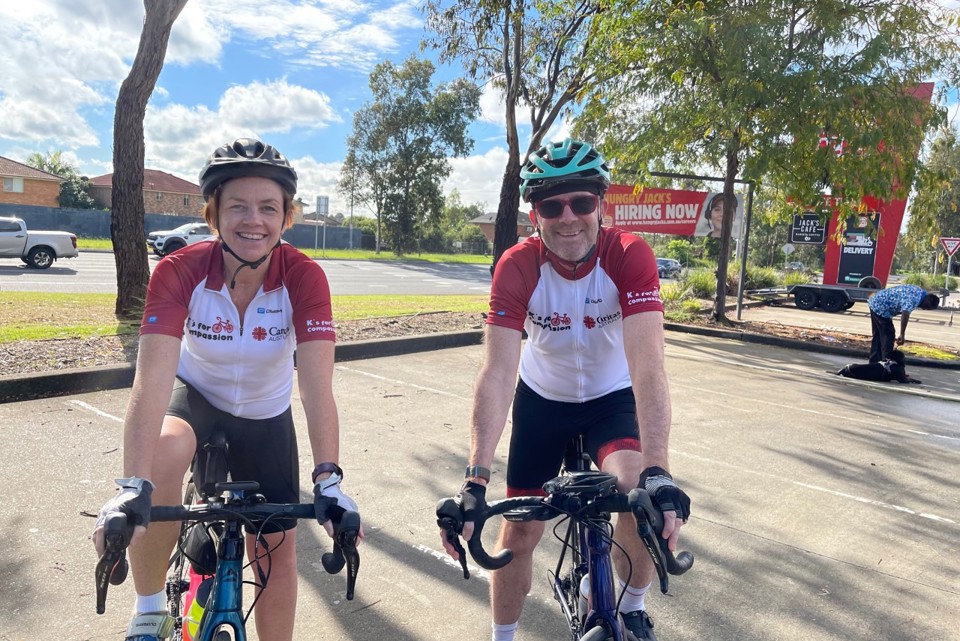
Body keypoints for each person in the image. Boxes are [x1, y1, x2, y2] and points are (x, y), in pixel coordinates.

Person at [92, 138, 361, 641]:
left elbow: (318, 387)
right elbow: (150, 383)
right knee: (163, 455)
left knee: (276, 554)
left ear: (286, 217)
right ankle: (149, 611)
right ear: (213, 215)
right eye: (237, 206)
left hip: (265, 415)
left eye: (268, 208)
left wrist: (329, 480)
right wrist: (132, 486)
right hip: (197, 398)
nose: (252, 220)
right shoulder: (180, 270)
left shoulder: (304, 277)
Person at [439, 138, 690, 641]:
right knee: (521, 530)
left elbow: (647, 366)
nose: (568, 217)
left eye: (581, 202)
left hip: (610, 401)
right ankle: (502, 637)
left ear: (602, 205)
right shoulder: (516, 265)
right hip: (543, 404)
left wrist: (659, 469)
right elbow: (497, 372)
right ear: (535, 214)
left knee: (637, 496)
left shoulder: (628, 254)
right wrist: (474, 480)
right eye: (551, 205)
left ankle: (633, 605)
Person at [867, 284, 939, 363]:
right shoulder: (914, 299)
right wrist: (902, 334)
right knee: (888, 335)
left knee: (878, 335)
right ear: (928, 300)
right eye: (927, 307)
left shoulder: (919, 291)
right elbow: (905, 313)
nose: (924, 308)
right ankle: (886, 363)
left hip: (876, 301)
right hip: (881, 306)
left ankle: (874, 362)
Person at [836, 349, 920, 384]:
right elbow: (903, 380)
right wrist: (912, 380)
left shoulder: (887, 363)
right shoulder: (898, 369)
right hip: (851, 372)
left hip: (850, 369)